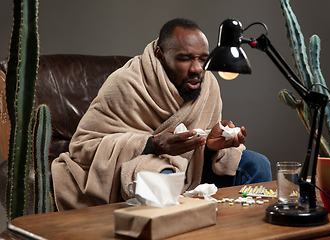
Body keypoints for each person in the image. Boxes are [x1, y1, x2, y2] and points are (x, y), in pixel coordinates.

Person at [51, 18, 272, 211]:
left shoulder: (208, 84)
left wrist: (210, 145)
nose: (197, 68)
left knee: (257, 164)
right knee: (162, 178)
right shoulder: (126, 83)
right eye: (185, 58)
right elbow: (82, 147)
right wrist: (152, 144)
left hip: (190, 169)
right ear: (161, 55)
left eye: (203, 59)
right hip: (136, 174)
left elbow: (198, 148)